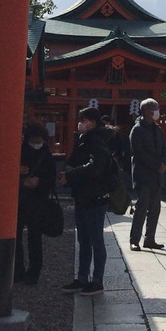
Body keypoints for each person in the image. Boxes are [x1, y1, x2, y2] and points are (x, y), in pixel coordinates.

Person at [59, 106, 114, 296]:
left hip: (95, 195)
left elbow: (96, 167)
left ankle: (97, 280)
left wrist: (71, 174)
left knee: (95, 239)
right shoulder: (85, 138)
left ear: (93, 122)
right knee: (83, 239)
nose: (80, 123)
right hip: (83, 193)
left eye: (84, 120)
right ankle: (82, 278)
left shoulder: (97, 139)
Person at [15, 122, 55, 285]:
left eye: (39, 140)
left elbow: (51, 180)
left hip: (37, 200)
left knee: (34, 237)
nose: (37, 143)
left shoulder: (46, 155)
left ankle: (32, 271)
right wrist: (18, 174)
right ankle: (18, 269)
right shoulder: (20, 152)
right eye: (34, 140)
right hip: (23, 199)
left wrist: (39, 183)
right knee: (18, 236)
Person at [128, 98, 166, 251]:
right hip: (143, 174)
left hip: (157, 175)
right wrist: (157, 165)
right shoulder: (137, 129)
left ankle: (150, 239)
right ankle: (134, 240)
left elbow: (164, 148)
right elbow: (138, 153)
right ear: (148, 111)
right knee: (141, 208)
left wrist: (164, 162)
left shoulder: (157, 129)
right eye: (155, 109)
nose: (158, 111)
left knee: (155, 209)